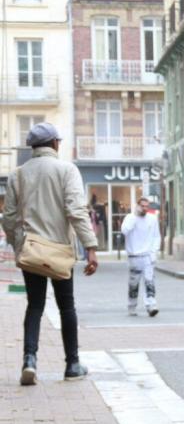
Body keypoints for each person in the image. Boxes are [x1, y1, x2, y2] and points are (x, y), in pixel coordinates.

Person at [2, 122, 99, 386]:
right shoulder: (67, 170)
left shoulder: (18, 175)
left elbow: (8, 218)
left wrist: (18, 244)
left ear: (33, 147)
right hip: (59, 253)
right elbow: (76, 212)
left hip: (31, 251)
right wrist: (90, 247)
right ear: (55, 144)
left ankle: (29, 360)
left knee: (34, 306)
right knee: (66, 306)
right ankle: (72, 364)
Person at [121, 196, 160, 317]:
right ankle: (131, 306)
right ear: (137, 206)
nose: (145, 208)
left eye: (146, 206)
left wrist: (154, 252)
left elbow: (156, 236)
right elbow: (124, 231)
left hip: (148, 255)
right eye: (142, 206)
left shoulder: (152, 219)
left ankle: (151, 306)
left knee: (149, 281)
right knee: (134, 283)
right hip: (134, 256)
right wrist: (134, 217)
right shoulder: (130, 218)